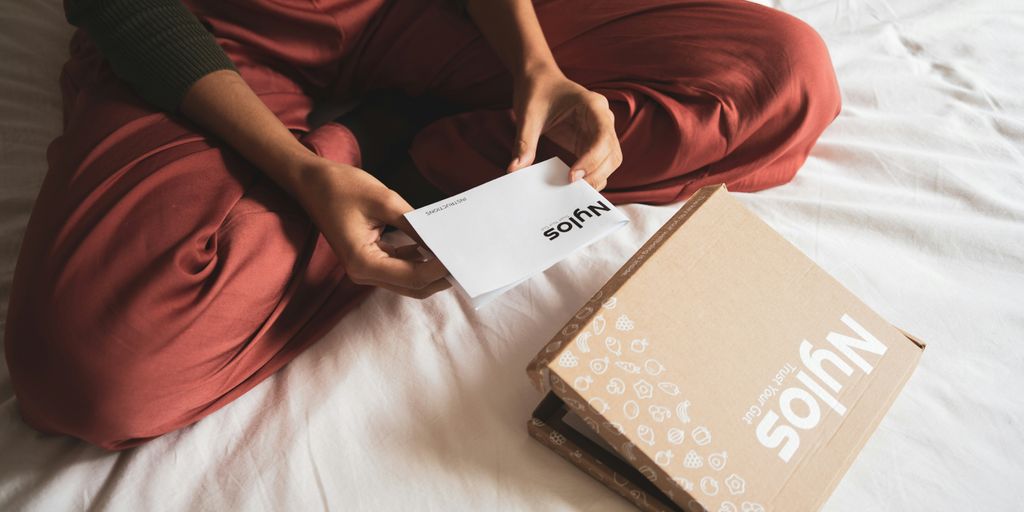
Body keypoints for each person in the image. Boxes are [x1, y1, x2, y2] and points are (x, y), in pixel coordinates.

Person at [3, 0, 841, 450]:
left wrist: (534, 66)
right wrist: (306, 170)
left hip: (432, 9)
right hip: (209, 33)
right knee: (91, 374)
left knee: (782, 77)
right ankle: (384, 160)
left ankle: (422, 160)